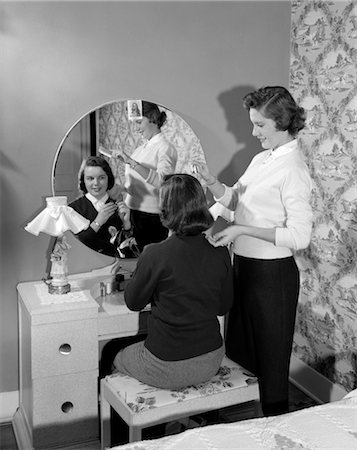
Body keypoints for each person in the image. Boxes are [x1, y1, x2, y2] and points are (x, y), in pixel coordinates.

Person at [197, 86, 313, 416]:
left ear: (282, 121)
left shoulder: (293, 170)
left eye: (260, 125)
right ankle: (244, 427)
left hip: (272, 277)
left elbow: (300, 236)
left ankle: (277, 427)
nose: (253, 132)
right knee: (241, 355)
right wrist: (213, 183)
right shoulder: (261, 159)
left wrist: (242, 230)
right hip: (244, 268)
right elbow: (237, 202)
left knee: (272, 367)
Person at [112, 174, 234, 389]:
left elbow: (134, 303)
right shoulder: (220, 252)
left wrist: (142, 270)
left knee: (112, 354)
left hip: (167, 365)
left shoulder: (154, 254)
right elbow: (222, 307)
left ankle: (144, 420)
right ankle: (186, 419)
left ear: (164, 209)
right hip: (211, 358)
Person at [116, 101, 177, 252]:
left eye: (139, 122)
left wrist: (131, 162)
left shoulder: (165, 148)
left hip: (151, 217)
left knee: (151, 262)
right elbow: (137, 183)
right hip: (133, 213)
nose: (136, 129)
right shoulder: (141, 149)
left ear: (152, 118)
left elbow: (163, 182)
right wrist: (120, 189)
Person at [69, 156, 132, 257]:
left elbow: (128, 248)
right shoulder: (72, 209)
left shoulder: (120, 208)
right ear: (83, 181)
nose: (96, 183)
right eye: (90, 178)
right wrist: (98, 222)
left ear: (109, 179)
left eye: (101, 178)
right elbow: (75, 245)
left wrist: (126, 224)